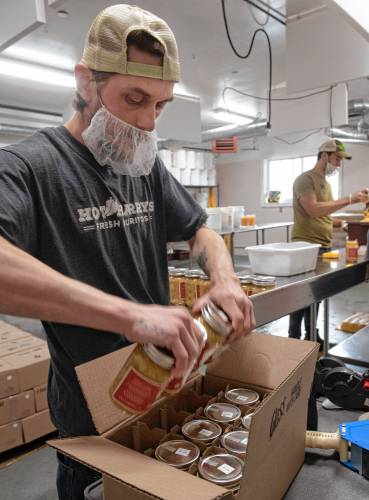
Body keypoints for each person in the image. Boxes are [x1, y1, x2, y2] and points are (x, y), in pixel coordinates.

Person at [0, 4, 254, 499]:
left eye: (160, 106)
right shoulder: (29, 167)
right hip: (91, 415)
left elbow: (200, 231)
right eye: (134, 98)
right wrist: (131, 318)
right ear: (86, 81)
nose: (146, 123)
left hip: (163, 388)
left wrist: (224, 279)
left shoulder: (141, 166)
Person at [289, 139, 369, 344]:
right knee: (301, 296)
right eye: (337, 159)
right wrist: (350, 199)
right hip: (305, 246)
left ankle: (312, 336)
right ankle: (294, 339)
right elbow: (313, 209)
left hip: (323, 245)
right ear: (324, 155)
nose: (339, 164)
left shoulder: (326, 184)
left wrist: (341, 224)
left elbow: (323, 216)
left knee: (317, 294)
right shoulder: (305, 180)